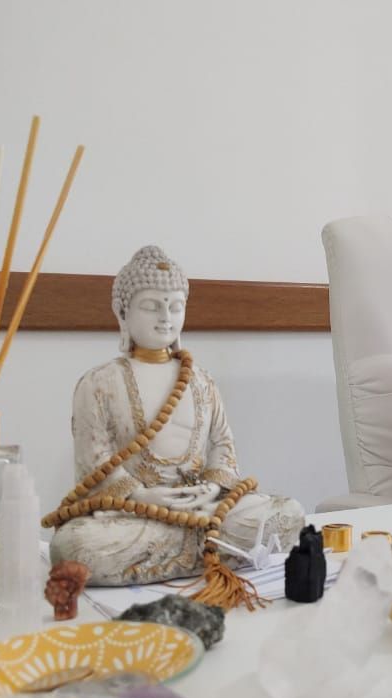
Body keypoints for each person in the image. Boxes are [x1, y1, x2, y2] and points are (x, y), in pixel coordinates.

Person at [46, 245, 304, 585]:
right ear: (122, 312)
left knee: (288, 514)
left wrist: (212, 488)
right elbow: (94, 463)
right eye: (151, 306)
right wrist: (141, 496)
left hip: (203, 507)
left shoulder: (200, 380)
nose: (165, 317)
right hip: (134, 514)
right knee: (73, 545)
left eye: (175, 306)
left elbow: (222, 445)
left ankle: (179, 552)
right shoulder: (99, 382)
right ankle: (213, 550)